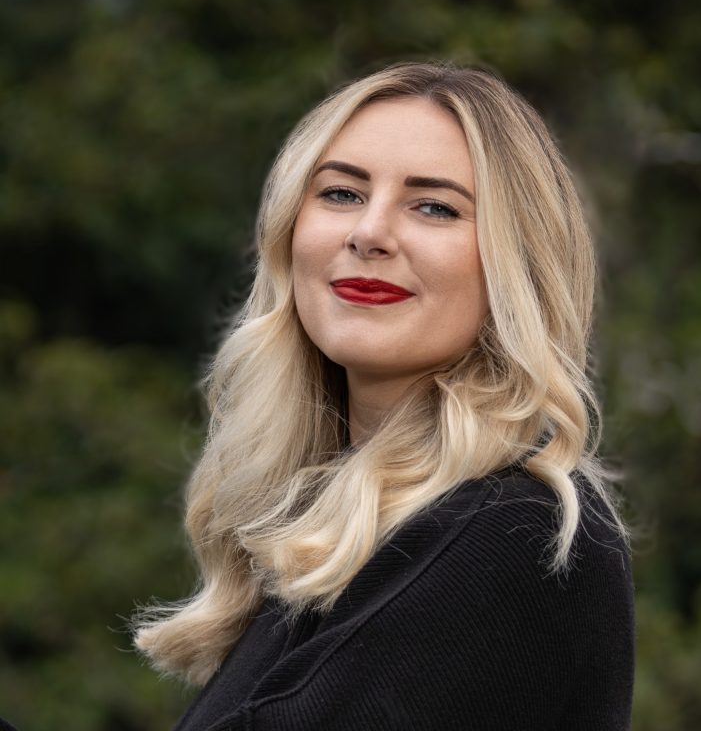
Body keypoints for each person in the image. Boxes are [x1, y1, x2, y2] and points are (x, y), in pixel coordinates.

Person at [134, 62, 635, 730]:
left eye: (434, 206)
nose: (369, 233)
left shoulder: (515, 536)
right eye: (341, 193)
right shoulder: (341, 531)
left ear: (516, 263)